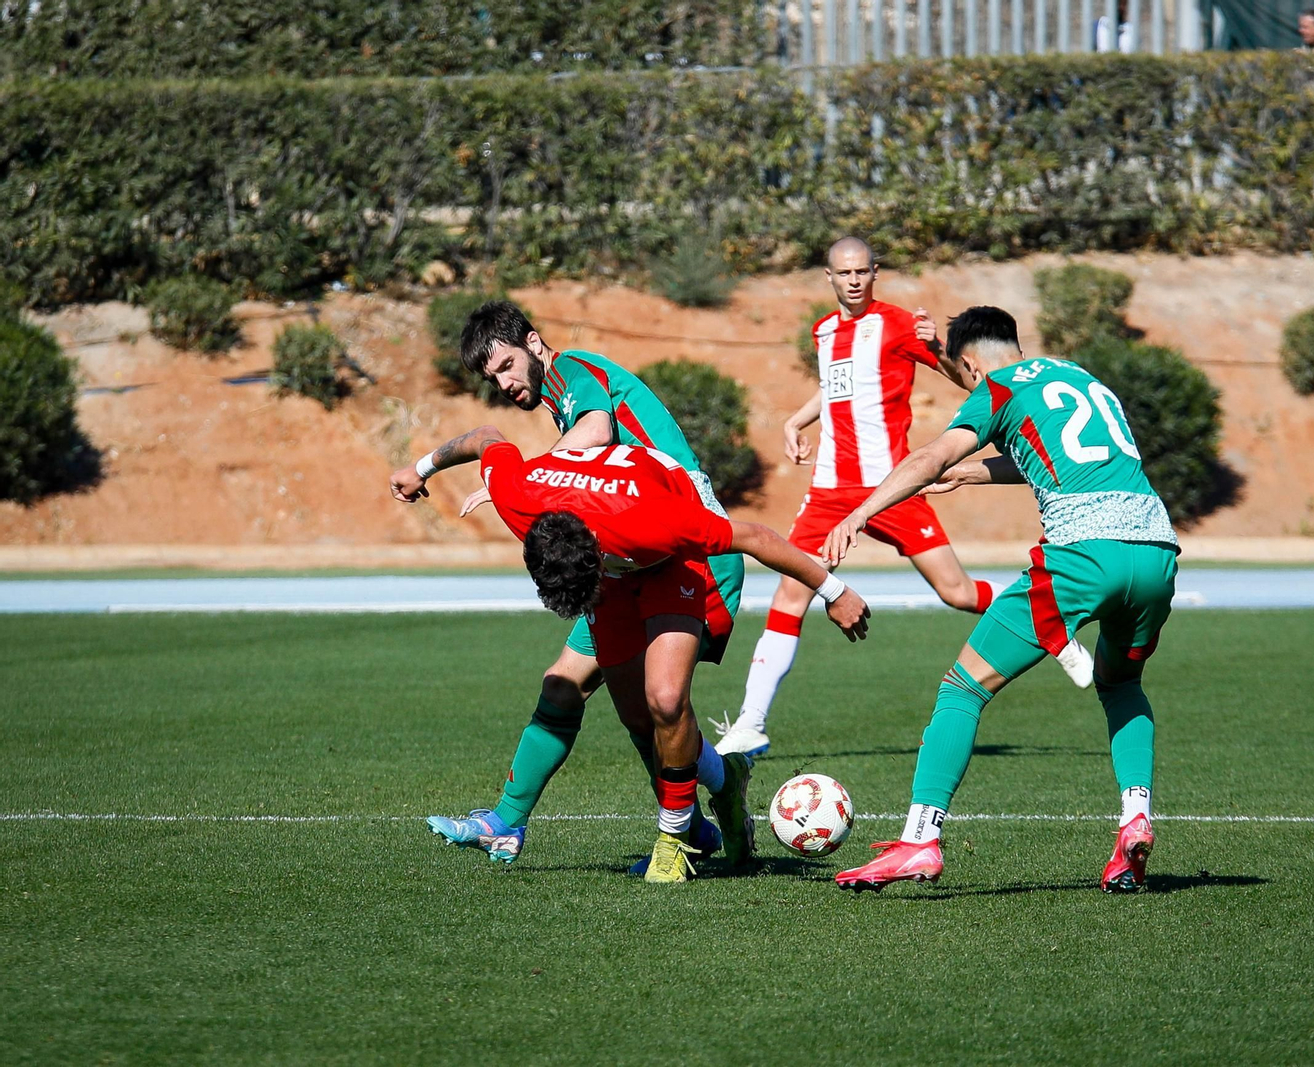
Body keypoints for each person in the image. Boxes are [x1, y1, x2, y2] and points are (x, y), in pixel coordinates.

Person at [399, 430, 869, 883]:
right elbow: (486, 436)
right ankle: (726, 781)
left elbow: (756, 537)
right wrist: (423, 469)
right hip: (613, 569)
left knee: (666, 700)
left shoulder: (656, 523)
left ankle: (674, 842)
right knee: (639, 721)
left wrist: (834, 590)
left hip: (667, 561)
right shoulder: (518, 496)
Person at [823, 306, 1179, 894]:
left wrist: (860, 513)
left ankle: (919, 839)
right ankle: (1135, 816)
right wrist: (979, 475)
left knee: (962, 688)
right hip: (1157, 549)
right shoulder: (1079, 377)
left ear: (967, 364)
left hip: (1084, 553)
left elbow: (930, 457)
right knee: (1121, 685)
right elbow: (1072, 456)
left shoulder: (997, 387)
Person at [387, 300, 749, 871]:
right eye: (492, 377)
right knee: (574, 690)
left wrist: (536, 474)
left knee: (661, 705)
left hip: (693, 556)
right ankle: (512, 822)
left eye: (506, 365)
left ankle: (699, 813)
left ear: (533, 344)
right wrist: (425, 468)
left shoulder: (574, 369)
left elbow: (596, 429)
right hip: (631, 562)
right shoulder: (557, 397)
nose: (504, 383)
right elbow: (501, 439)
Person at [712, 237, 999, 759]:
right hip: (828, 492)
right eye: (843, 273)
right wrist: (796, 419)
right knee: (789, 595)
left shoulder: (897, 325)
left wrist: (937, 347)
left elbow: (965, 382)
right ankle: (751, 723)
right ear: (828, 277)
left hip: (891, 486)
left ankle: (1041, 610)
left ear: (875, 272)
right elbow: (836, 387)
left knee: (956, 593)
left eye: (862, 271)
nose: (853, 280)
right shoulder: (824, 331)